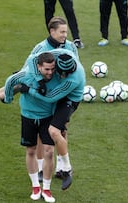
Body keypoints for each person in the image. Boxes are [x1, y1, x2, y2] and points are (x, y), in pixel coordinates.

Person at [0, 16, 78, 181]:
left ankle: (61, 167)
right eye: (61, 32)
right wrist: (35, 82)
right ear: (52, 31)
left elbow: (75, 67)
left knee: (62, 129)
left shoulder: (70, 47)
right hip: (43, 92)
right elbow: (28, 67)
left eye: (66, 32)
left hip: (61, 92)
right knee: (42, 132)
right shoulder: (41, 47)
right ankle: (40, 169)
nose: (64, 35)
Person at [17, 48, 85, 190]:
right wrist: (40, 80)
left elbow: (51, 98)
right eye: (61, 73)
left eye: (68, 73)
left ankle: (66, 168)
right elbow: (32, 59)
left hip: (69, 99)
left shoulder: (73, 78)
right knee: (57, 131)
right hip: (56, 95)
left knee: (54, 131)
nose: (64, 76)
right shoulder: (59, 54)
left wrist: (29, 90)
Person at [3, 52, 58, 202]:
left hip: (47, 118)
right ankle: (35, 186)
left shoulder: (56, 78)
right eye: (47, 69)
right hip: (28, 117)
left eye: (52, 69)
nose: (50, 72)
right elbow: (10, 81)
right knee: (31, 150)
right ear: (38, 67)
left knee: (49, 152)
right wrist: (7, 98)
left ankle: (46, 188)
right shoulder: (26, 75)